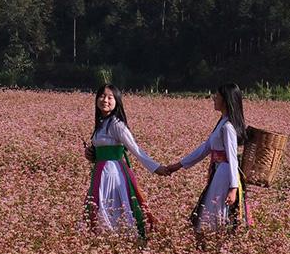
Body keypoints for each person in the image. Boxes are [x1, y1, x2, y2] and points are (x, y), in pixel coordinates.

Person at [159, 83, 250, 242]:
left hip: (224, 174)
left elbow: (232, 158)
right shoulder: (222, 122)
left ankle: (216, 246)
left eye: (217, 96)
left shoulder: (228, 127)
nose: (214, 98)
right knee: (209, 212)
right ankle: (210, 247)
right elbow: (205, 148)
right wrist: (178, 165)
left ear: (226, 100)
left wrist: (233, 188)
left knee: (212, 212)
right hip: (219, 171)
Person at [83, 83, 162, 239]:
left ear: (117, 101)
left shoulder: (117, 124)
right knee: (102, 204)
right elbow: (98, 151)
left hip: (113, 173)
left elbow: (136, 150)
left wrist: (156, 168)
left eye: (110, 97)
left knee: (113, 205)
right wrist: (90, 154)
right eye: (102, 96)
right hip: (101, 172)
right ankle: (106, 238)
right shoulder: (101, 124)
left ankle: (118, 238)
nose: (105, 100)